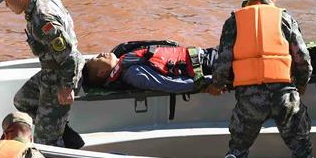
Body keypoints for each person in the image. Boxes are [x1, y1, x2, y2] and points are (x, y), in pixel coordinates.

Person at [208, 0, 314, 158]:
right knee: (302, 149)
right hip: (284, 95)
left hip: (250, 98)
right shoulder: (284, 18)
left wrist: (217, 84)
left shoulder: (234, 21)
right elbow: (302, 58)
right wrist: (301, 83)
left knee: (237, 150)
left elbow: (224, 60)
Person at [0, 0, 85, 148]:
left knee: (45, 141)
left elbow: (70, 55)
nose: (6, 6)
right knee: (22, 100)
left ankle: (59, 143)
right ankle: (58, 129)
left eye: (7, 0)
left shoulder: (42, 18)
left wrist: (67, 87)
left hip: (61, 76)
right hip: (51, 71)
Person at [83, 41, 217, 93]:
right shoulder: (133, 74)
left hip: (206, 55)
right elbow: (168, 84)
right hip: (209, 65)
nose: (100, 54)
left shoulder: (124, 57)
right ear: (102, 73)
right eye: (97, 59)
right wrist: (209, 82)